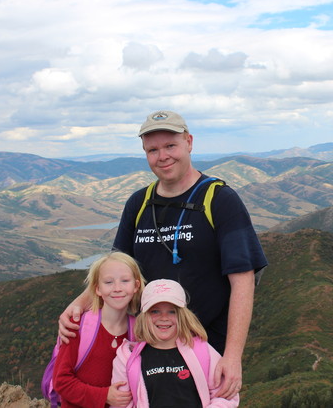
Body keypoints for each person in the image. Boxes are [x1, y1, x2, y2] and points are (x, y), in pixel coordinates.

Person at [59, 110, 268, 399]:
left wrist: (232, 357)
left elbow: (242, 280)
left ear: (189, 142)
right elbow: (116, 271)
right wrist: (79, 304)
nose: (162, 156)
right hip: (148, 347)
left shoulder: (220, 199)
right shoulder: (139, 203)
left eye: (170, 146)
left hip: (205, 350)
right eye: (153, 150)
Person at [110, 279, 239, 408]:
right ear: (144, 316)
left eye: (172, 311)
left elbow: (226, 396)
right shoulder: (127, 358)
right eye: (155, 311)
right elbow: (121, 404)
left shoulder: (203, 351)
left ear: (183, 316)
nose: (164, 317)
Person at [53, 252, 145, 408]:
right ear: (97, 289)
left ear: (136, 286)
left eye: (125, 281)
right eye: (109, 282)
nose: (117, 288)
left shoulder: (138, 332)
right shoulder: (78, 326)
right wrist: (104, 396)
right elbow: (61, 381)